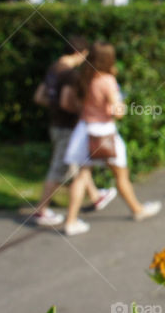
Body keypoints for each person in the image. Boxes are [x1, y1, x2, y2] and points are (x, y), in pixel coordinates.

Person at [61, 41, 161, 236]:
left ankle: (71, 221)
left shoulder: (83, 77)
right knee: (121, 174)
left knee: (82, 176)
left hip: (84, 130)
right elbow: (118, 112)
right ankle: (137, 210)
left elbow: (75, 103)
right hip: (104, 132)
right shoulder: (106, 80)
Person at [31, 36, 117, 226]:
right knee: (59, 169)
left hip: (55, 124)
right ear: (80, 53)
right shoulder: (70, 75)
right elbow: (65, 102)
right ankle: (41, 210)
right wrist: (83, 110)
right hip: (67, 127)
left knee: (79, 166)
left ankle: (95, 197)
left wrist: (54, 106)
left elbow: (39, 97)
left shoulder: (53, 69)